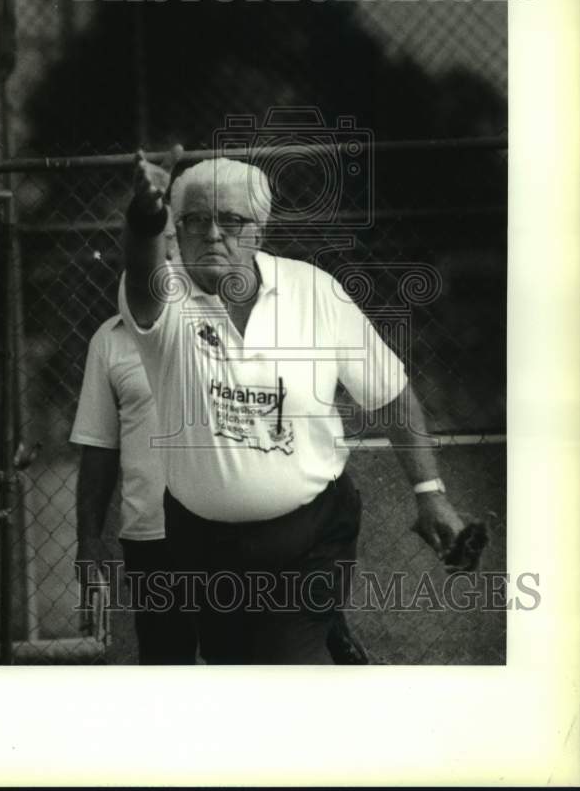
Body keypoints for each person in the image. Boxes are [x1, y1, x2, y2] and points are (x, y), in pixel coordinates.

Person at [118, 148, 466, 665]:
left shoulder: (315, 292)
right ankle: (328, 644)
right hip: (204, 545)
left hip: (310, 534)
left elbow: (389, 390)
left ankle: (314, 641)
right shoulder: (165, 297)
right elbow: (144, 268)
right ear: (178, 229)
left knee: (283, 668)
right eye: (194, 221)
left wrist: (429, 492)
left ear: (260, 229)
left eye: (231, 221)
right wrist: (146, 218)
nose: (212, 234)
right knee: (231, 664)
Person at [71, 219, 197, 665]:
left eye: (169, 249)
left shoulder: (220, 327)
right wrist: (88, 539)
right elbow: (99, 447)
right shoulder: (109, 340)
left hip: (226, 530)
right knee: (165, 665)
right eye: (148, 250)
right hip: (150, 538)